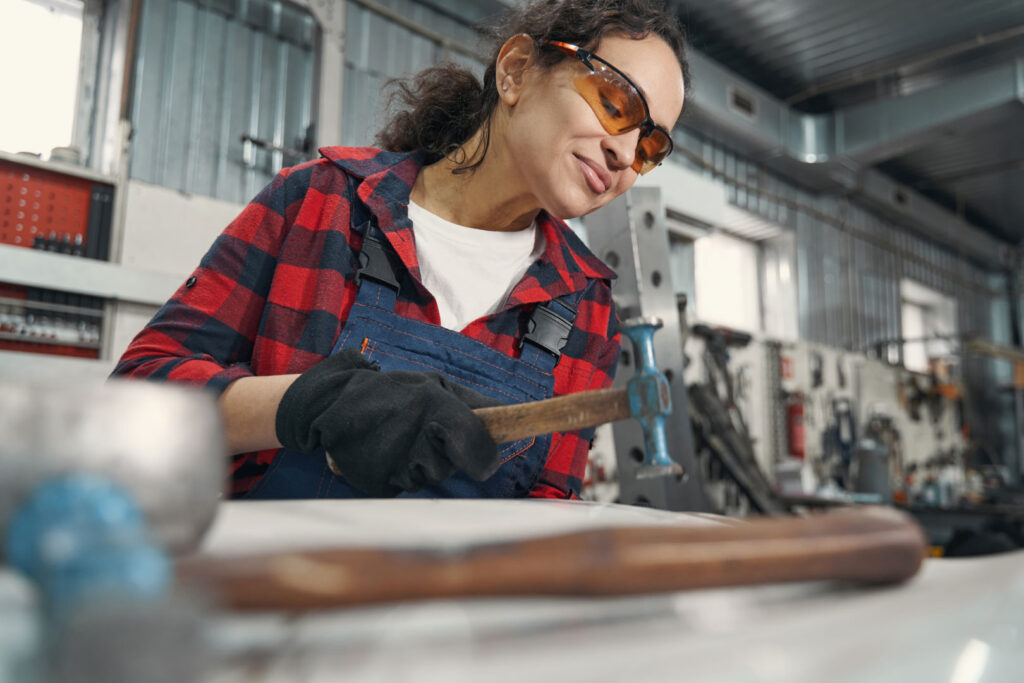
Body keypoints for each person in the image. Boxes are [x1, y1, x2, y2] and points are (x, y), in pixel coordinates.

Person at [112, 0, 688, 500]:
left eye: (650, 145)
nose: (623, 152)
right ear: (515, 71)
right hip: (276, 601)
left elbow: (545, 508)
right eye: (615, 103)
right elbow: (135, 402)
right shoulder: (321, 203)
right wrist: (301, 405)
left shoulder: (585, 306)